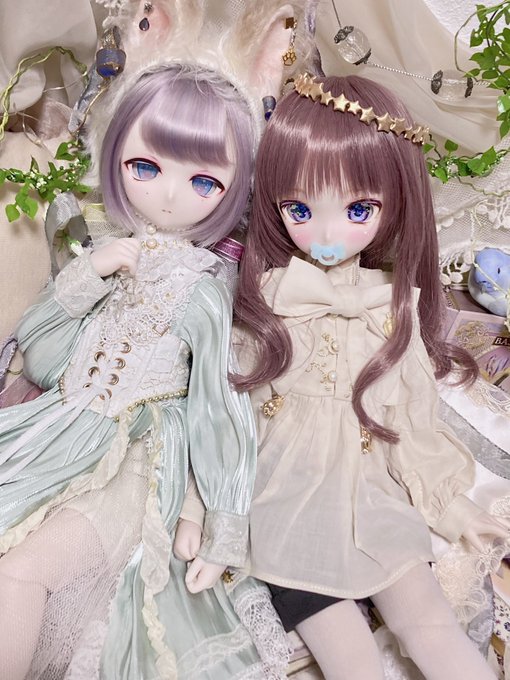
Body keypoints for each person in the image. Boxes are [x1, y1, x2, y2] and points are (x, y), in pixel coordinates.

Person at [0, 59, 287, 680]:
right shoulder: (104, 250)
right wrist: (88, 273)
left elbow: (220, 408)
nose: (169, 194)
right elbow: (43, 356)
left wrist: (219, 520)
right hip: (54, 434)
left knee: (22, 571)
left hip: (133, 462)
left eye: (203, 181)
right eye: (147, 168)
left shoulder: (203, 291)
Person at [229, 73, 510, 679]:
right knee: (351, 662)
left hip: (376, 497)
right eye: (300, 209)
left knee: (431, 625)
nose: (328, 235)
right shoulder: (271, 300)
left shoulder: (392, 307)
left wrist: (451, 509)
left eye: (358, 209)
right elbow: (227, 418)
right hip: (286, 505)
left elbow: (410, 422)